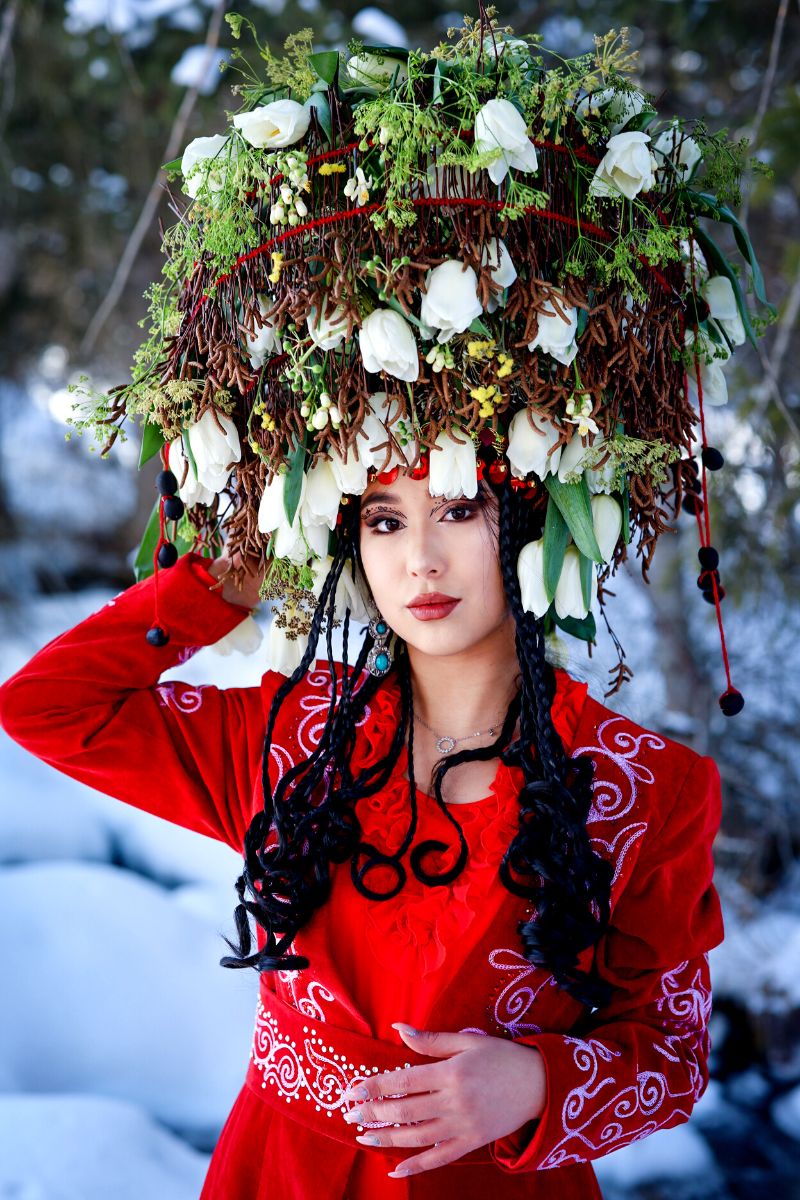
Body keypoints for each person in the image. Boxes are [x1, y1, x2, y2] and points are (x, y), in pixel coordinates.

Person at [0, 462, 724, 1199]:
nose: (420, 560)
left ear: (541, 526)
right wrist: (215, 587)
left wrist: (539, 1082)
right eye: (385, 522)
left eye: (460, 512)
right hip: (281, 1172)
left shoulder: (643, 789)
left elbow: (672, 1057)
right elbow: (48, 707)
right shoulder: (290, 739)